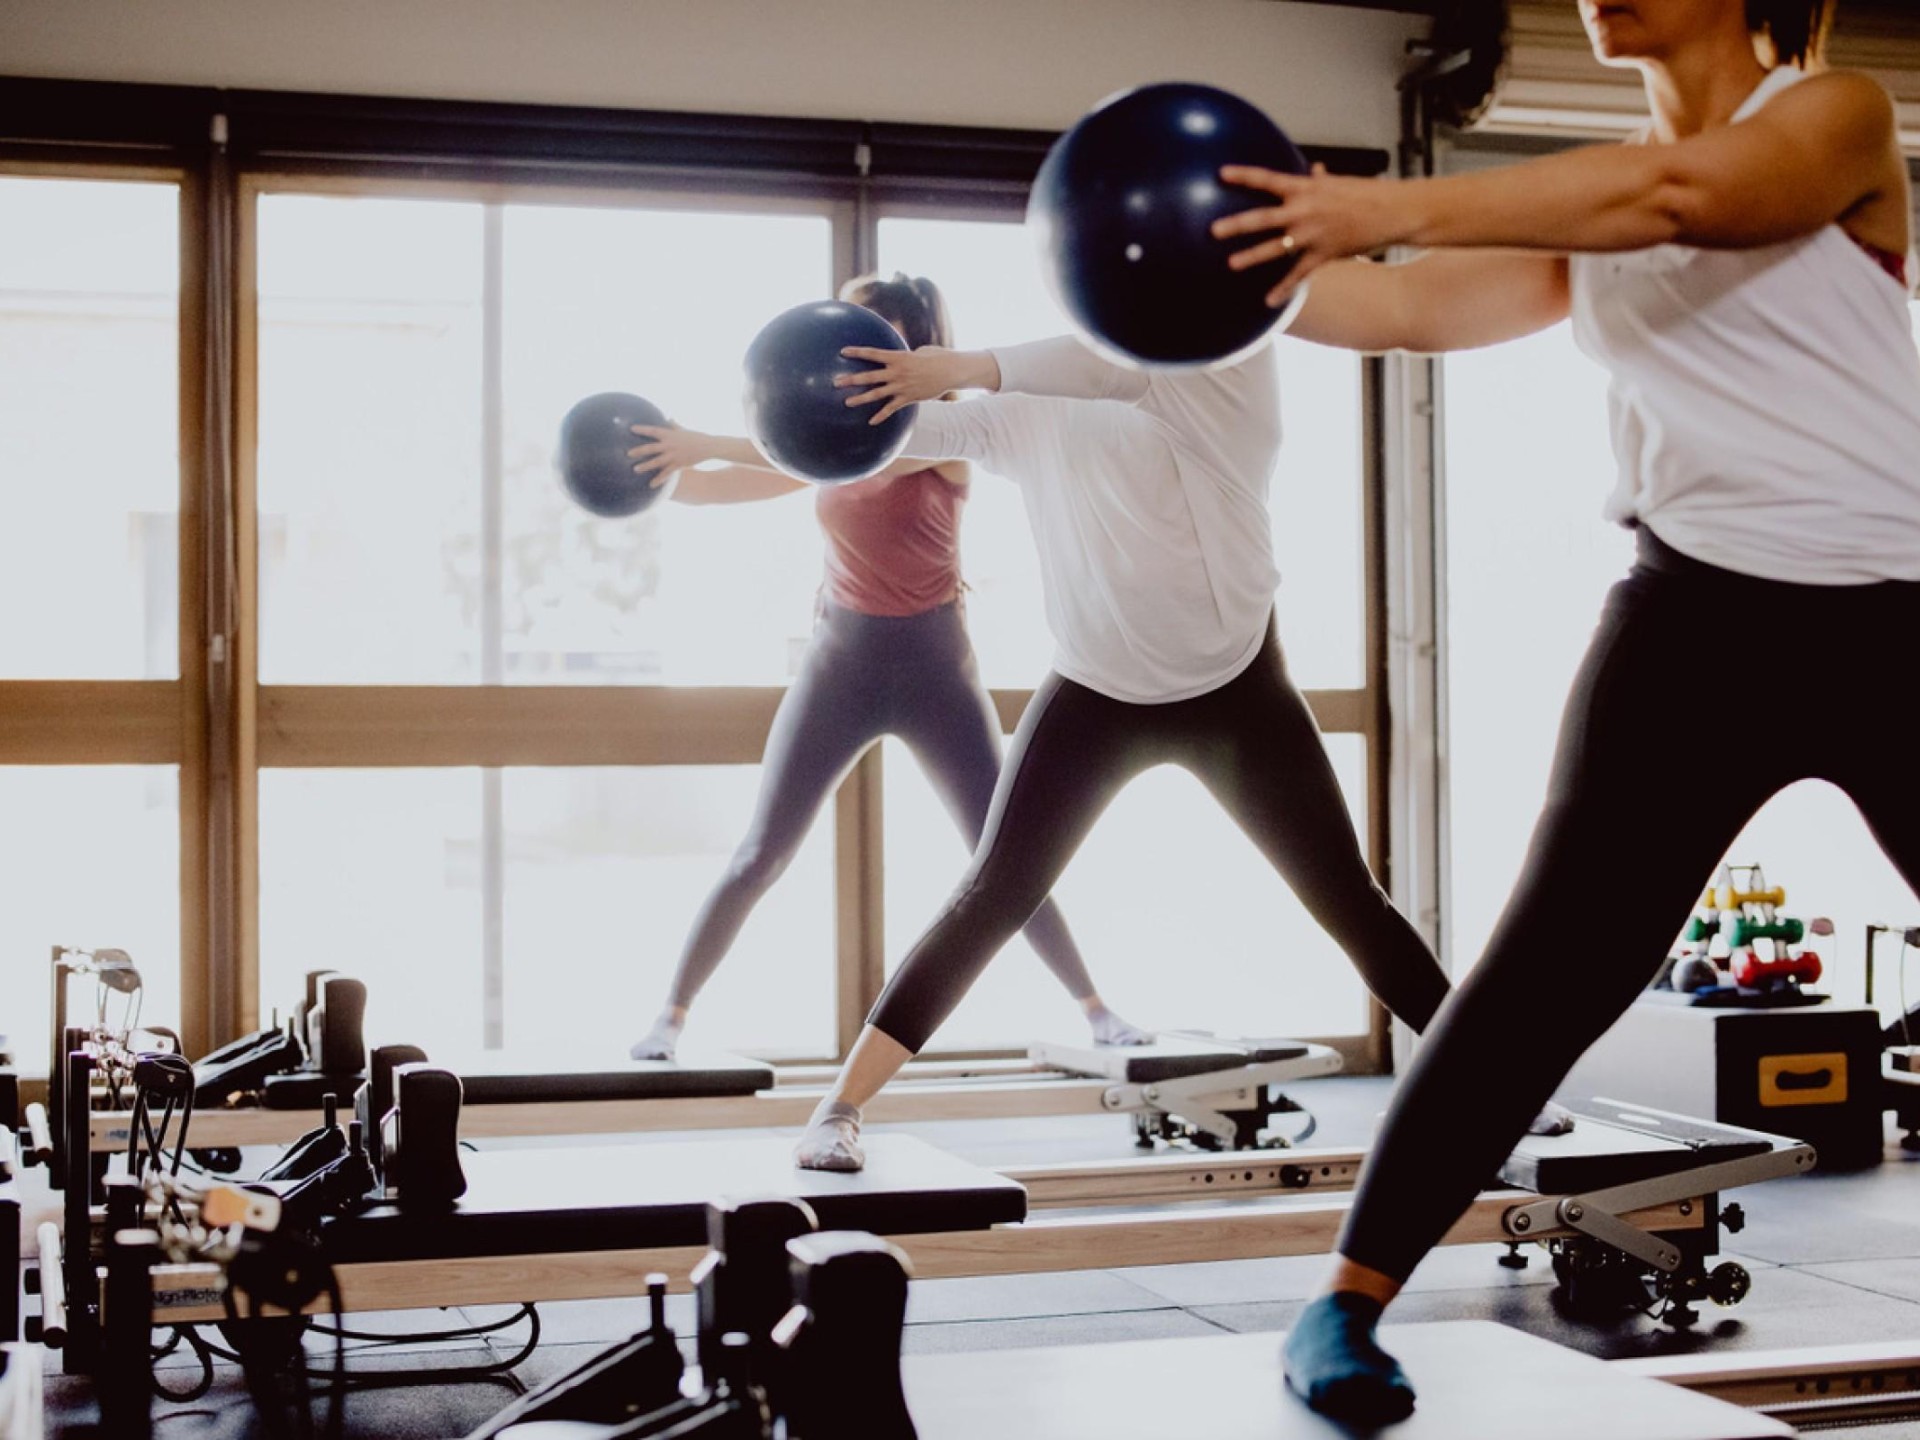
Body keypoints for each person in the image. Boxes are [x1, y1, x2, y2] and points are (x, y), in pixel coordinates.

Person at [1208, 0, 1920, 1422]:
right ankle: (1343, 1306)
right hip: (1694, 624)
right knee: (1540, 980)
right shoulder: (1590, 212)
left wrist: (1375, 208)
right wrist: (1197, 280)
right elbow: (1399, 309)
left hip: (1893, 624)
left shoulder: (1831, 117)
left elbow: (1688, 195)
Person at [790, 327, 1468, 1172]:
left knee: (1345, 897)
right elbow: (903, 438)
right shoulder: (1029, 403)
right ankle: (839, 1107)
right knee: (993, 893)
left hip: (1235, 687)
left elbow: (1113, 367)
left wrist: (958, 368)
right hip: (1095, 690)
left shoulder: (1218, 363)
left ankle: (1498, 1088)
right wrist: (813, 416)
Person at [624, 273, 1148, 1062]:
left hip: (937, 672)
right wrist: (653, 474)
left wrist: (707, 441)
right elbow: (712, 490)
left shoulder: (942, 441)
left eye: (863, 337)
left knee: (1003, 857)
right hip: (841, 666)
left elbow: (843, 453)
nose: (839, 357)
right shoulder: (825, 448)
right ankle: (669, 1017)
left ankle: (1098, 1011)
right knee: (763, 851)